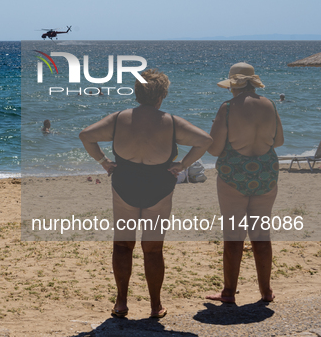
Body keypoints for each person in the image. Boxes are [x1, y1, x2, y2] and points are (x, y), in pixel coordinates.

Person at [79, 69, 212, 318]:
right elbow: (205, 140)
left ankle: (121, 303)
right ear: (162, 95)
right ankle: (155, 306)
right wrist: (182, 165)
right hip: (158, 187)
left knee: (122, 246)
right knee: (152, 249)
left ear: (136, 92)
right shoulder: (171, 122)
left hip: (125, 185)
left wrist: (104, 162)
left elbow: (86, 136)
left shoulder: (119, 119)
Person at [206, 62, 284, 304]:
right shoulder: (270, 104)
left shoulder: (227, 108)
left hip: (234, 176)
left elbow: (215, 149)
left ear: (233, 85)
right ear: (253, 82)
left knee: (233, 236)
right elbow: (278, 141)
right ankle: (266, 292)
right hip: (265, 174)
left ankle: (229, 292)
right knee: (261, 234)